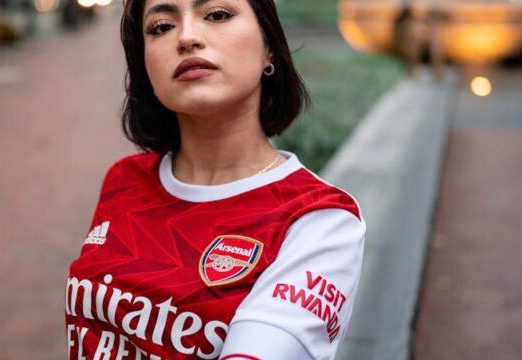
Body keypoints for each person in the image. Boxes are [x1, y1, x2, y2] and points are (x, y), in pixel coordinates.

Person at [65, 0, 366, 359]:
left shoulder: (321, 220)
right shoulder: (123, 180)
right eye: (161, 27)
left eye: (217, 15)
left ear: (269, 47)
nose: (187, 37)